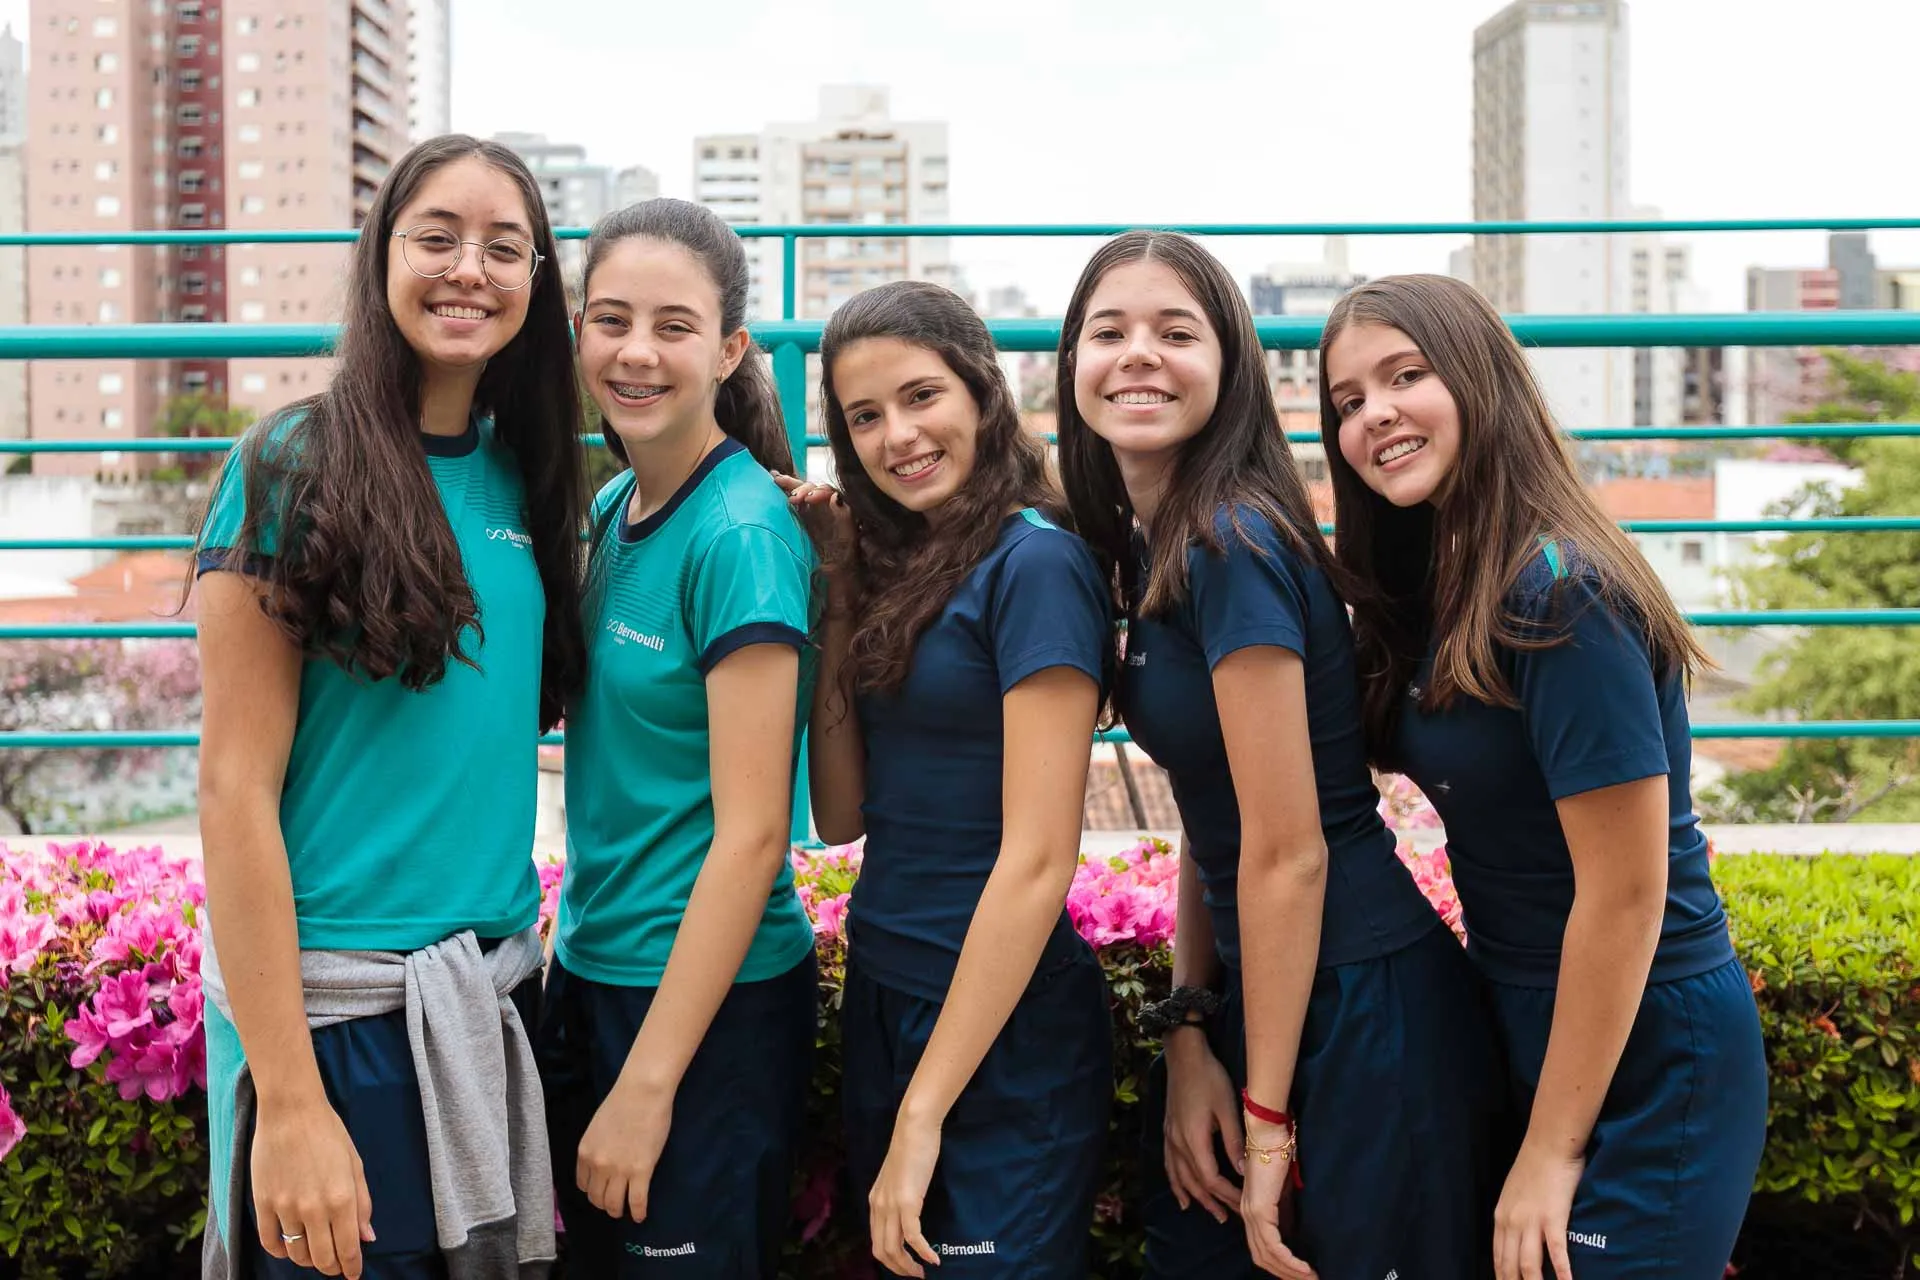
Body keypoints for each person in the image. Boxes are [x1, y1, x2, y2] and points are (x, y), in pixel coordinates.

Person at [1056, 231, 1510, 1280]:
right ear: (1071, 360)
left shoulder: (1233, 542)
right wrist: (1189, 1025)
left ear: (1230, 367)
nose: (1138, 353)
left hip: (1363, 1007)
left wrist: (1268, 1124)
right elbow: (1214, 809)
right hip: (1275, 997)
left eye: (1177, 332)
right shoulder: (1158, 541)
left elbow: (1288, 848)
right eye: (1109, 331)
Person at [1319, 272, 1768, 1280]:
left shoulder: (1561, 591)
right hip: (1529, 1011)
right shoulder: (1445, 580)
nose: (1374, 413)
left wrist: (1551, 1149)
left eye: (1406, 375)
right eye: (1348, 400)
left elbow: (1627, 893)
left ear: (1481, 379)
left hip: (1651, 1044)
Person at [193, 134, 584, 1280]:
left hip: (493, 999)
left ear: (536, 280)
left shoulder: (531, 475)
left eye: (504, 247)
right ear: (381, 257)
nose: (470, 269)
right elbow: (232, 789)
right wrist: (291, 1101)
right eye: (438, 238)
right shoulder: (287, 465)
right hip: (335, 1022)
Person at [779, 280, 1112, 1278]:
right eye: (864, 416)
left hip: (1001, 1025)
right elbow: (841, 814)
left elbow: (1040, 858)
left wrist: (924, 1109)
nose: (898, 437)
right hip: (887, 991)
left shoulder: (1037, 564)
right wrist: (840, 588)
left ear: (982, 391)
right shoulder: (907, 566)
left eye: (921, 396)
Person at [532, 198, 820, 1277]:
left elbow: (755, 835)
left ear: (730, 349)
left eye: (674, 326)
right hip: (594, 970)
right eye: (611, 320)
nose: (637, 352)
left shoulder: (740, 535)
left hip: (703, 1009)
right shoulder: (616, 505)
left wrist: (650, 1084)